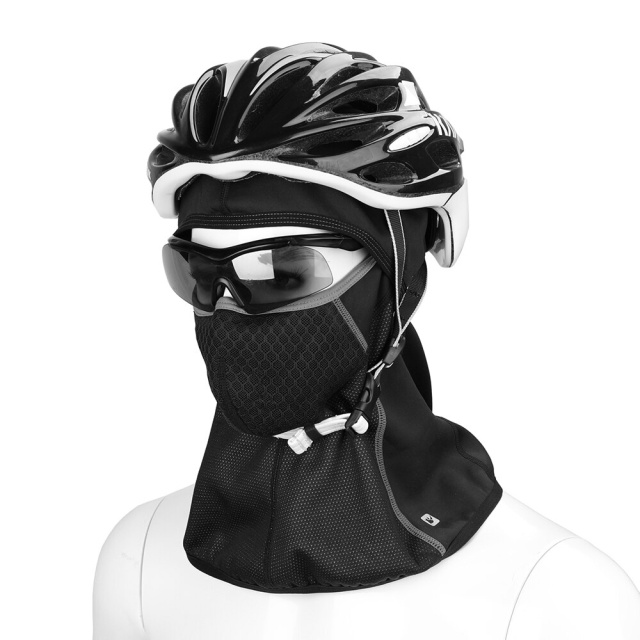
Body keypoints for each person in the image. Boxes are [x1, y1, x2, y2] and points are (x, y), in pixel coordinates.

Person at [93, 43, 640, 639]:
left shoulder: (556, 599)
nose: (229, 307)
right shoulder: (138, 560)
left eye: (282, 271)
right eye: (197, 272)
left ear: (396, 275)